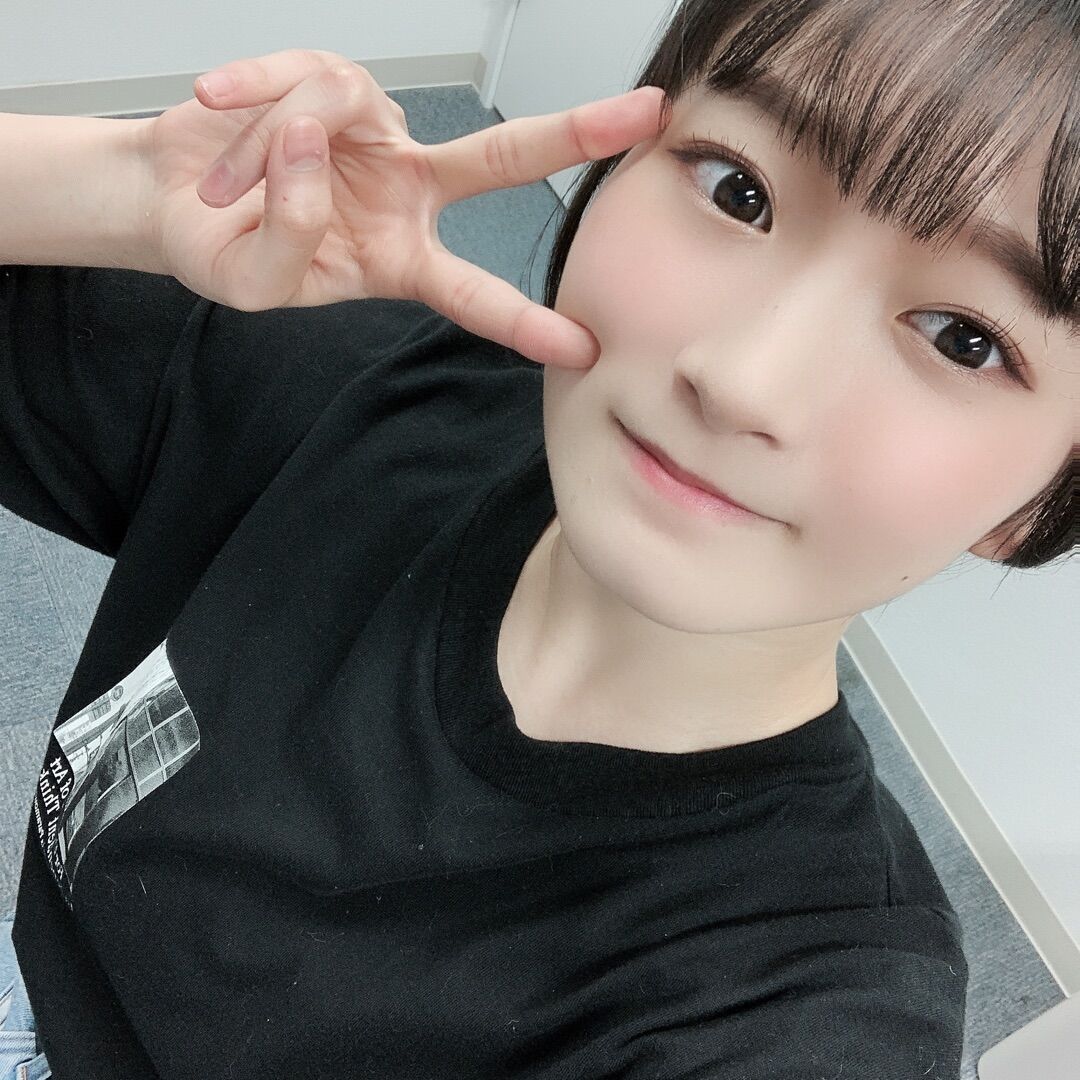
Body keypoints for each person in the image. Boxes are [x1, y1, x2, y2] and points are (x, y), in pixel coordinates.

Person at [1, 0, 1076, 1075]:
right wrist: (123, 193)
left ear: (1043, 502)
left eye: (963, 339)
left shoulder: (798, 1005)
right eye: (737, 190)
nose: (743, 380)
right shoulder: (353, 382)